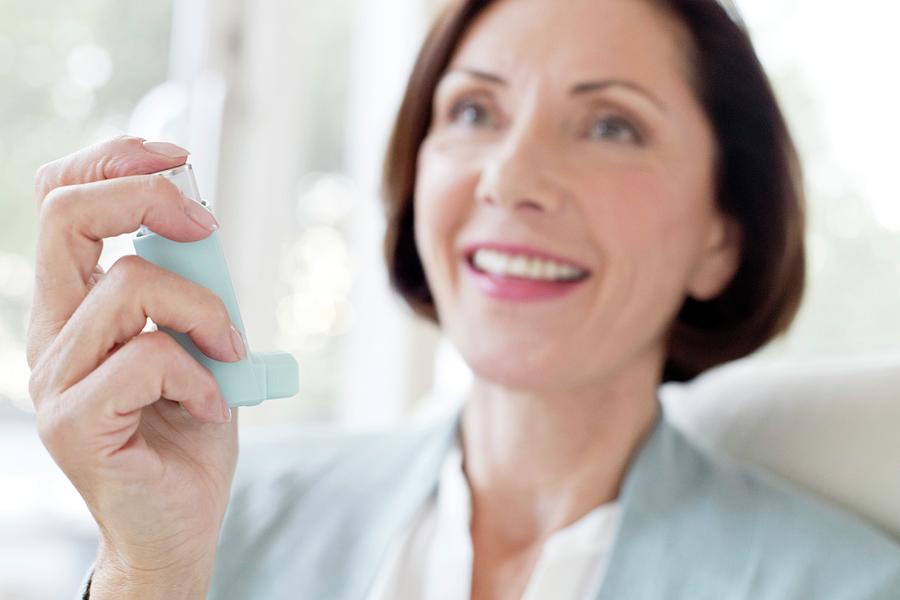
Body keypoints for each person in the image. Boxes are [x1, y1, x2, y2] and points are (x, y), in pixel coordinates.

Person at [26, 0, 899, 598]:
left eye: (610, 125)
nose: (510, 177)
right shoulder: (222, 517)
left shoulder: (842, 584)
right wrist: (149, 571)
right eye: (476, 112)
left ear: (723, 236)